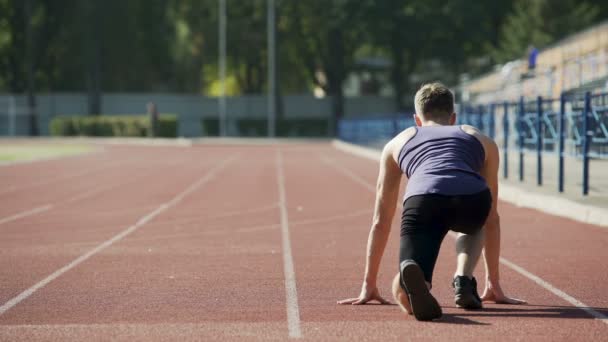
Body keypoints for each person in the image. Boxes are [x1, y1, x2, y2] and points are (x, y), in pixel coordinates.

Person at [338, 83, 525, 321]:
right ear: (453, 117)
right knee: (474, 226)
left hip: (424, 200)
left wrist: (369, 283)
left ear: (417, 119)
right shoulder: (479, 138)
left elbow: (380, 221)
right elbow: (493, 219)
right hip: (473, 198)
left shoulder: (397, 142)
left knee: (408, 283)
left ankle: (413, 283)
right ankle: (464, 278)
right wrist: (494, 283)